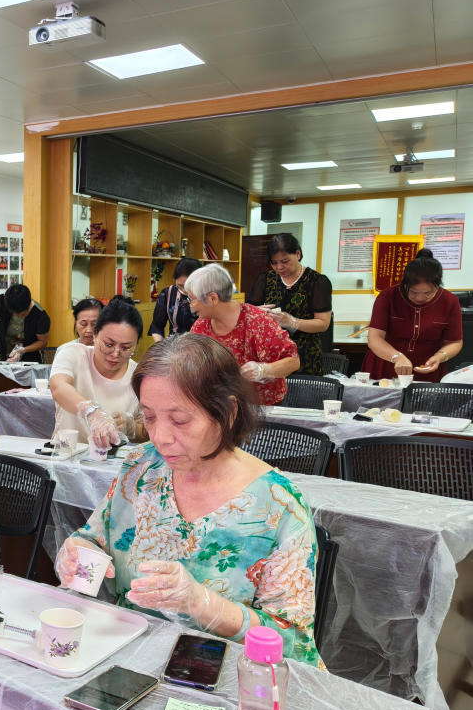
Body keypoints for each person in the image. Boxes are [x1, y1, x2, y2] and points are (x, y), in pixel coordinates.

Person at [56, 333, 321, 666]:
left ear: (228, 412)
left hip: (226, 674)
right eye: (149, 417)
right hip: (129, 658)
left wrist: (202, 604)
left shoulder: (279, 505)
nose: (161, 437)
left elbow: (293, 642)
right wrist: (77, 554)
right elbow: (93, 538)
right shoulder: (142, 467)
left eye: (179, 420)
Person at [187, 264, 299, 405]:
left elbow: (293, 361)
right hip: (221, 406)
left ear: (213, 298)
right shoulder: (200, 327)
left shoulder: (258, 321)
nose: (190, 305)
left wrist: (263, 370)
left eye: (192, 299)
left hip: (263, 407)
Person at [50, 298, 144, 447]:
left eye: (126, 348)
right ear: (95, 335)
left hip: (113, 458)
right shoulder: (73, 354)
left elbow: (148, 430)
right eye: (109, 344)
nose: (115, 354)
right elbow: (58, 387)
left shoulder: (139, 375)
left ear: (136, 344)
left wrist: (130, 427)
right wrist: (91, 411)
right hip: (67, 453)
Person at [363, 250, 463, 383]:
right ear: (405, 284)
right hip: (385, 365)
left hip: (426, 369)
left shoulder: (450, 301)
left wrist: (440, 356)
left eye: (428, 293)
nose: (419, 298)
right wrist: (396, 357)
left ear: (438, 286)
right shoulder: (388, 296)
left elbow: (455, 342)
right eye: (413, 292)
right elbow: (375, 338)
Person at [245, 234, 332, 375]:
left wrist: (293, 322)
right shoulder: (265, 279)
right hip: (271, 355)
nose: (279, 267)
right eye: (274, 263)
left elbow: (323, 324)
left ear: (297, 254)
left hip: (305, 355)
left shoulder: (317, 282)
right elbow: (248, 313)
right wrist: (257, 312)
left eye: (285, 261)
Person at [0, 284, 51, 362]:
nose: (15, 315)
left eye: (21, 314)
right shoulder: (2, 302)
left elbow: (42, 342)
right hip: (3, 357)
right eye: (12, 312)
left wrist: (22, 350)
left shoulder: (40, 316)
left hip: (29, 361)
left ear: (28, 306)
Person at [149, 257, 202, 342]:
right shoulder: (168, 293)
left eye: (189, 286)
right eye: (180, 286)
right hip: (174, 345)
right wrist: (160, 346)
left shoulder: (207, 296)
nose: (185, 290)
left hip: (202, 345)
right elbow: (157, 326)